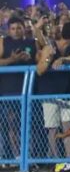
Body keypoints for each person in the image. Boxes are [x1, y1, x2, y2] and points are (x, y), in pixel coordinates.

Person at [35, 20, 70, 172]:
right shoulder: (50, 46)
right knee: (53, 129)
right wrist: (49, 58)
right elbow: (39, 70)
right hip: (49, 93)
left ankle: (69, 160)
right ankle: (56, 161)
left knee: (68, 127)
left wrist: (62, 59)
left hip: (67, 93)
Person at [0, 17, 35, 158]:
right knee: (10, 124)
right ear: (9, 30)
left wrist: (30, 59)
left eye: (19, 28)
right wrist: (12, 59)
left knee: (28, 123)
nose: (16, 31)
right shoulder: (3, 41)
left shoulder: (32, 42)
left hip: (28, 89)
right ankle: (14, 156)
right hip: (8, 89)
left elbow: (40, 60)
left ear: (24, 28)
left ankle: (29, 155)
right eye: (13, 28)